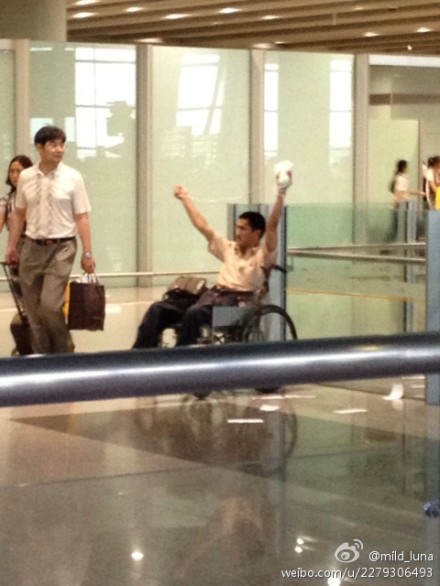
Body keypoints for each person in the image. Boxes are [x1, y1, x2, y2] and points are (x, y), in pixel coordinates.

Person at [133, 174, 291, 349]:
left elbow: (272, 225)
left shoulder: (263, 256)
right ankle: (140, 356)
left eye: (243, 228)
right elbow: (203, 226)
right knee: (158, 309)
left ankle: (180, 360)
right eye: (237, 227)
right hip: (213, 296)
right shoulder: (229, 248)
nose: (237, 232)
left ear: (257, 233)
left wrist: (281, 194)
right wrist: (185, 198)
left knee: (195, 313)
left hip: (238, 302)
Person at [5, 125, 96, 354]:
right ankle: (41, 359)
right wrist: (12, 247)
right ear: (39, 148)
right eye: (53, 145)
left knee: (49, 305)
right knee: (33, 311)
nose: (59, 150)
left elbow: (82, 216)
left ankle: (63, 352)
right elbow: (18, 213)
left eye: (62, 145)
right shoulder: (26, 177)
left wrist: (87, 252)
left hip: (61, 248)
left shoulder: (73, 177)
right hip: (31, 247)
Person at [387, 159, 424, 241]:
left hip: (402, 205)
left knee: (399, 228)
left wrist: (418, 193)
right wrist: (407, 199)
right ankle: (385, 247)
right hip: (400, 205)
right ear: (404, 167)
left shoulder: (402, 178)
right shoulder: (400, 178)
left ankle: (386, 247)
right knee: (397, 228)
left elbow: (405, 191)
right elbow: (399, 192)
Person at [0, 155, 33, 236]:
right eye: (11, 171)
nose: (14, 176)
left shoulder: (36, 196)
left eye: (19, 171)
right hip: (16, 244)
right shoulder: (7, 200)